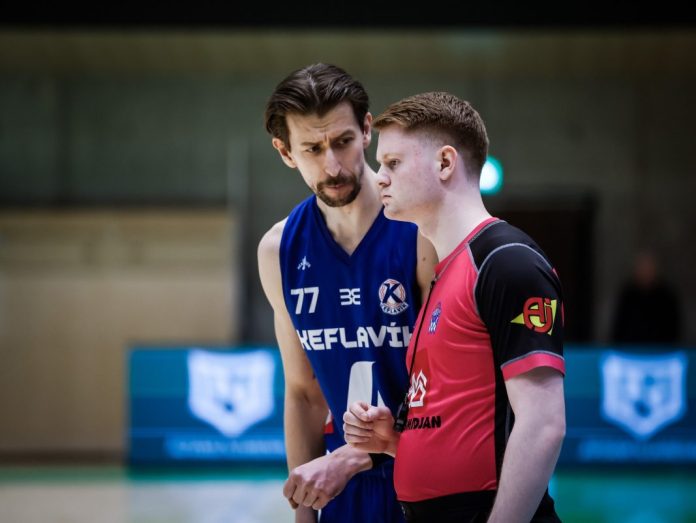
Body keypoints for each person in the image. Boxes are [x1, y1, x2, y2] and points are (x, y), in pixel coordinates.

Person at [343, 92, 566, 523]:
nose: (379, 177)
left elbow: (543, 424)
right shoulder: (445, 272)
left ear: (445, 163)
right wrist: (395, 441)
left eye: (392, 163)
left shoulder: (507, 262)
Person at [257, 64, 437, 523]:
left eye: (343, 141)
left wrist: (363, 454)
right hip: (342, 490)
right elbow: (303, 394)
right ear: (285, 152)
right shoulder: (278, 250)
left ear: (367, 130)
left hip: (428, 482)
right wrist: (304, 514)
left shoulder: (422, 229)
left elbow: (454, 385)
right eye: (312, 149)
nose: (333, 166)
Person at [610, 249, 682, 344]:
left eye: (649, 267)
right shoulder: (627, 295)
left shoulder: (667, 296)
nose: (645, 271)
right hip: (630, 348)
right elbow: (618, 327)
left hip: (661, 349)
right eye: (642, 267)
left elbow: (674, 328)